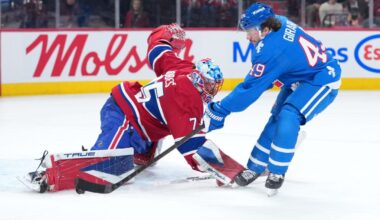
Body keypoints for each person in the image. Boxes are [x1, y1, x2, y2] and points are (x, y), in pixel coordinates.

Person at [23, 23, 245, 193]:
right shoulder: (187, 98)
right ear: (198, 79)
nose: (212, 89)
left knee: (139, 148)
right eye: (208, 84)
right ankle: (49, 174)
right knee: (109, 163)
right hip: (123, 113)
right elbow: (190, 146)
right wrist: (229, 170)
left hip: (143, 122)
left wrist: (169, 32)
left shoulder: (184, 67)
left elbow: (157, 50)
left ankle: (140, 151)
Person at [203, 3, 341, 195]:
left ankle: (277, 171)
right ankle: (255, 167)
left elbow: (250, 89)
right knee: (276, 117)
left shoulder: (271, 50)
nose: (247, 36)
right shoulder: (280, 23)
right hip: (299, 77)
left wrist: (220, 110)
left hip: (320, 79)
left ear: (264, 29)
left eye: (250, 31)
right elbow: (285, 61)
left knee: (288, 116)